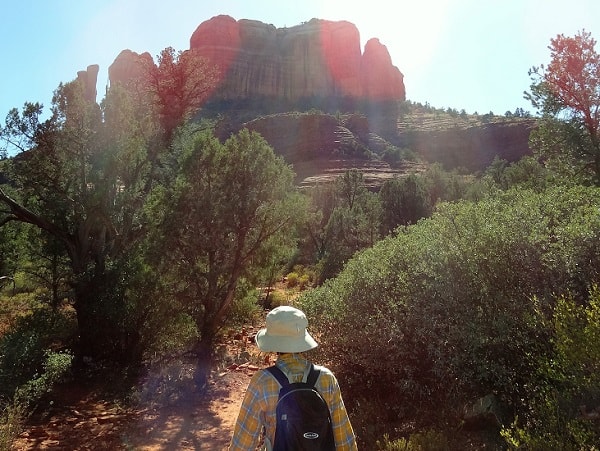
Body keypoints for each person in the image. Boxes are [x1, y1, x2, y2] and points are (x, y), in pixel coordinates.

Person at [229, 305, 358, 450]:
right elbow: (344, 438)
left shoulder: (262, 381)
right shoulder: (327, 378)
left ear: (274, 343)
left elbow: (243, 442)